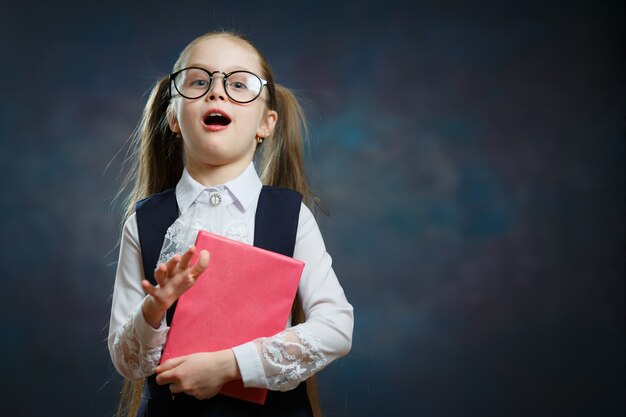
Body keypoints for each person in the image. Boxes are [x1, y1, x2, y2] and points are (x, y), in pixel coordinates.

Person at [107, 31, 354, 417]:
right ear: (173, 117)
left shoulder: (291, 216)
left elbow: (336, 328)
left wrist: (228, 366)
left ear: (266, 124)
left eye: (238, 83)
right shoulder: (143, 223)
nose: (217, 92)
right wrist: (153, 309)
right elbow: (127, 362)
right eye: (199, 81)